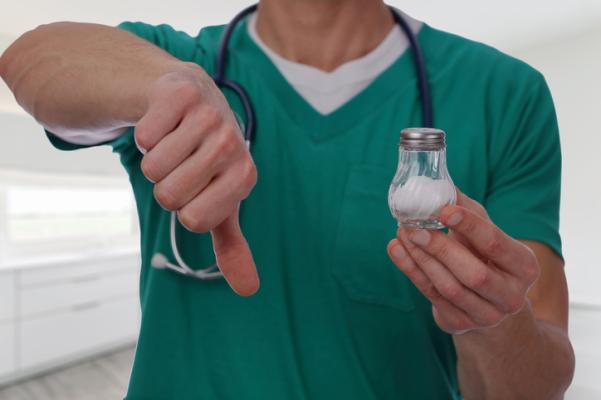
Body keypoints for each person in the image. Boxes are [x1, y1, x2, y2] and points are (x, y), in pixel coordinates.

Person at [0, 0, 575, 398]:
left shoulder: (504, 94)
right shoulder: (179, 61)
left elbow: (536, 383)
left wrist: (491, 321)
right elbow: (32, 57)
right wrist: (167, 86)